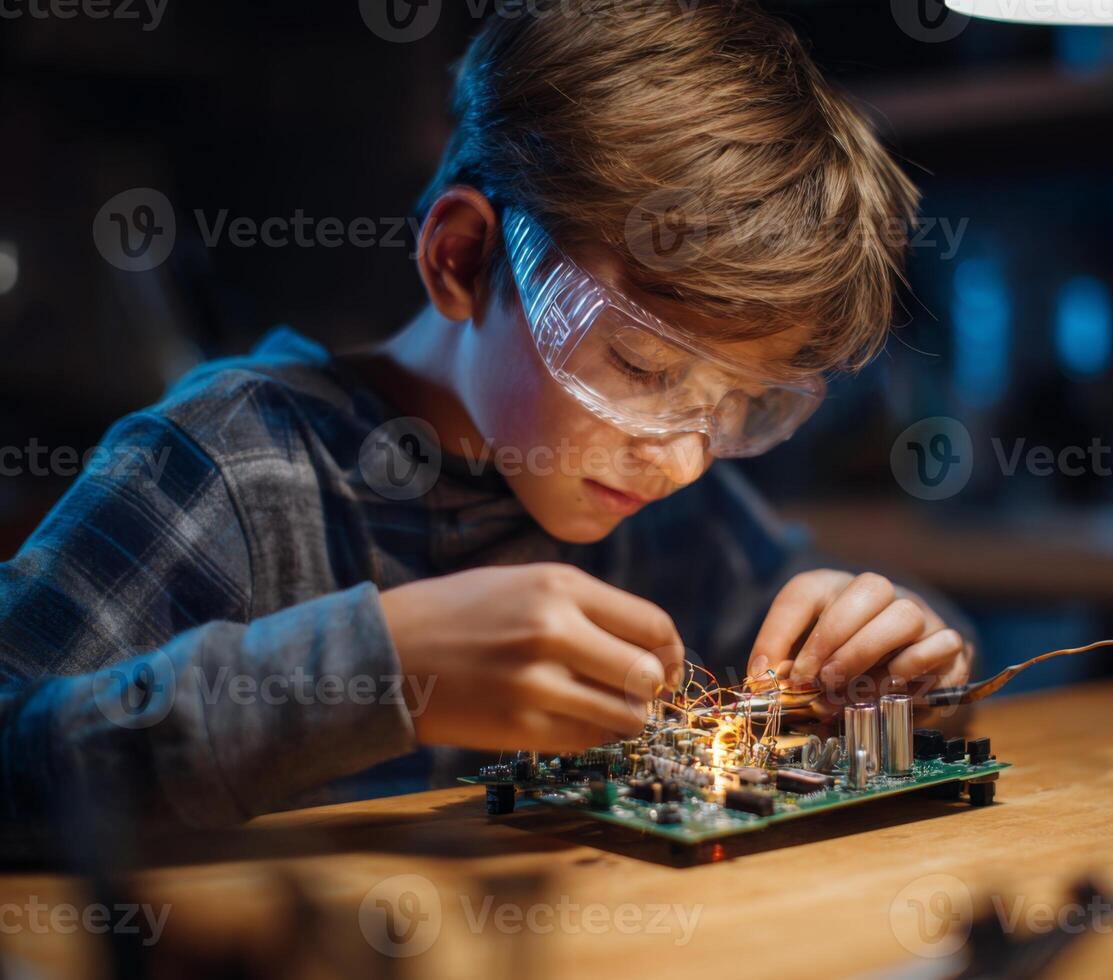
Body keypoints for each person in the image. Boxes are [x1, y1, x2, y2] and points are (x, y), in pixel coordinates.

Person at [0, 0, 972, 831]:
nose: (680, 455)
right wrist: (374, 672)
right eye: (638, 363)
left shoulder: (670, 512)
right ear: (463, 258)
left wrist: (901, 658)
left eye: (743, 405)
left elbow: (890, 663)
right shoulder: (232, 468)